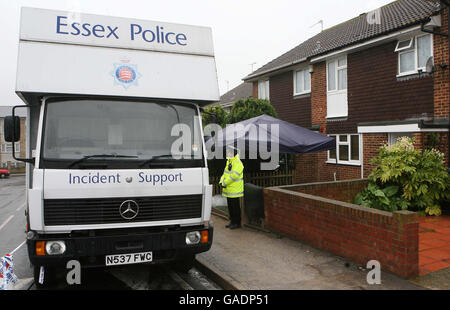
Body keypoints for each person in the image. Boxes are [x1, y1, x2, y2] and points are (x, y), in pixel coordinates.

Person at [219, 145, 244, 229]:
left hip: (234, 190)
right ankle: (232, 222)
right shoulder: (229, 161)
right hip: (229, 189)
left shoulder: (238, 163)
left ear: (233, 153)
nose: (227, 153)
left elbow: (234, 176)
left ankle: (237, 223)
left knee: (235, 207)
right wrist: (221, 180)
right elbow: (225, 173)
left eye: (229, 152)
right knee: (230, 207)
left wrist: (224, 182)